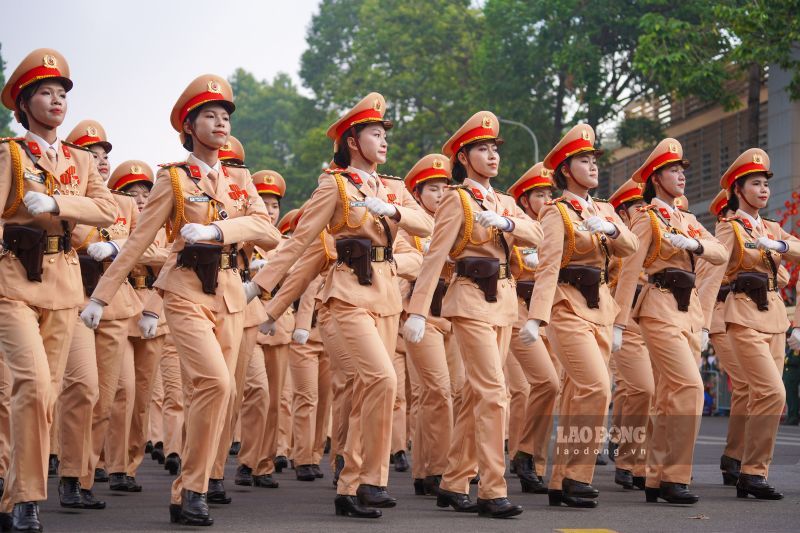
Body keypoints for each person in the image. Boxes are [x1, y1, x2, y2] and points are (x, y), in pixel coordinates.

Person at [79, 74, 279, 526]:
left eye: (225, 116)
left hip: (230, 294)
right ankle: (192, 488)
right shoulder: (173, 179)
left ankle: (194, 487)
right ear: (189, 127)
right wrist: (101, 296)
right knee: (216, 384)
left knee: (214, 396)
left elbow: (269, 230)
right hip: (186, 292)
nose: (220, 123)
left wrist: (219, 230)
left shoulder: (240, 180)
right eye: (209, 116)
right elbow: (136, 243)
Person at [252, 92, 432, 518]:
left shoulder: (394, 189)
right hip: (346, 297)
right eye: (375, 133)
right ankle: (362, 478)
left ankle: (358, 485)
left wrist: (391, 208)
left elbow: (428, 222)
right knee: (383, 379)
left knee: (369, 389)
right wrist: (260, 289)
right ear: (353, 141)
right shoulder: (333, 185)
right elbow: (299, 244)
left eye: (384, 134)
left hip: (386, 297)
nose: (384, 142)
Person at [0, 48, 117, 531]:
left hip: (64, 284)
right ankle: (26, 498)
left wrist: (58, 201)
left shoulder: (79, 160)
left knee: (46, 394)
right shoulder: (8, 153)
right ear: (24, 104)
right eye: (45, 93)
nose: (56, 101)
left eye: (62, 93)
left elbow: (106, 210)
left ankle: (13, 495)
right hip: (13, 281)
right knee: (31, 385)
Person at [404, 111, 541, 518]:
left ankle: (452, 481)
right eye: (482, 149)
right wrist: (416, 310)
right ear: (464, 158)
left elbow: (539, 235)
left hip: (502, 302)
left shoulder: (505, 202)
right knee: (494, 393)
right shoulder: (455, 199)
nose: (492, 156)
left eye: (495, 149)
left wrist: (507, 222)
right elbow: (434, 257)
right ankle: (492, 488)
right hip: (467, 301)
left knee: (473, 398)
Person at [519, 124, 638, 508]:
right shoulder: (557, 212)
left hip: (600, 308)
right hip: (567, 308)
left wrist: (609, 228)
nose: (593, 166)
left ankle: (561, 481)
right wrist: (537, 318)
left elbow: (631, 246)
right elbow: (549, 264)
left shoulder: (603, 211)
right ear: (566, 169)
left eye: (594, 160)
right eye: (584, 161)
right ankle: (575, 476)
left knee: (576, 396)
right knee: (596, 387)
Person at [613, 138, 726, 505]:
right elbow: (630, 270)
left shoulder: (689, 221)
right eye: (673, 170)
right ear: (655, 178)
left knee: (666, 398)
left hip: (688, 311)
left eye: (682, 170)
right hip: (658, 307)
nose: (680, 176)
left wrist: (694, 245)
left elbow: (720, 252)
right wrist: (617, 322)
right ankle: (675, 477)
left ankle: (654, 476)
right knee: (690, 388)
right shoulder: (645, 217)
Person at [714, 148, 800, 499]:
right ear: (738, 189)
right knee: (771, 392)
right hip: (742, 316)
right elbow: (710, 276)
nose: (763, 189)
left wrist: (778, 242)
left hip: (775, 318)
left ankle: (751, 471)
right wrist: (702, 324)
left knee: (765, 397)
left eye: (766, 184)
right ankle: (749, 470)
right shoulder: (728, 228)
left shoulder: (773, 228)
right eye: (755, 183)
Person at [398, 153, 456, 497]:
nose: (439, 195)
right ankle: (439, 468)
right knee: (437, 391)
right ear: (417, 194)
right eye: (432, 189)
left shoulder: (460, 220)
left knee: (435, 395)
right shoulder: (409, 226)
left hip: (454, 314)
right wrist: (431, 257)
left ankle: (425, 469)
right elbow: (401, 260)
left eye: (444, 188)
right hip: (422, 316)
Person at [505, 162, 560, 494]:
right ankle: (517, 454)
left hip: (549, 318)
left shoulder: (560, 224)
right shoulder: (517, 226)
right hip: (516, 315)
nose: (546, 200)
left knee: (549, 388)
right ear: (524, 201)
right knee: (523, 389)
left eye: (549, 194)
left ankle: (532, 461)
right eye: (539, 195)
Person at [606, 178, 654, 491]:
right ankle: (628, 458)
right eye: (637, 207)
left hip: (656, 314)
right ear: (623, 213)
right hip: (624, 316)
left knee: (652, 394)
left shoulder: (657, 230)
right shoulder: (617, 240)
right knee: (639, 389)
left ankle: (647, 462)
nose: (643, 210)